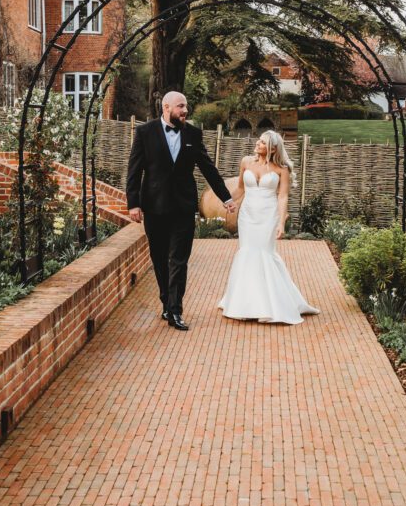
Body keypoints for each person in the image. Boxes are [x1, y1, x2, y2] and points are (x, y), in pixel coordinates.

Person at [126, 91, 236, 331]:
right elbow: (134, 170)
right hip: (154, 208)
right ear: (166, 107)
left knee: (179, 259)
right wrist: (133, 203)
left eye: (186, 106)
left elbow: (208, 168)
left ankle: (176, 310)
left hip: (183, 208)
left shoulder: (193, 134)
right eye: (180, 106)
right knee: (159, 258)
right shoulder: (145, 132)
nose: (185, 110)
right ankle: (166, 301)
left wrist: (226, 197)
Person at [218, 130, 320, 324]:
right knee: (247, 252)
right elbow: (240, 188)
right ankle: (245, 303)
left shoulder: (281, 169)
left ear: (272, 148)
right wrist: (228, 201)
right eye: (258, 141)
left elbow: (282, 197)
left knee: (265, 254)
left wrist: (281, 222)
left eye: (263, 142)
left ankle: (271, 305)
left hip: (268, 216)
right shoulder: (246, 162)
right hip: (247, 215)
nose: (257, 144)